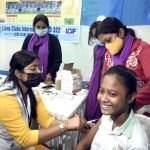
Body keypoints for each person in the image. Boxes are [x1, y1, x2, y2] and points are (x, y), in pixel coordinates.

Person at [0, 51, 89, 150]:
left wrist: (74, 124)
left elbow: (47, 120)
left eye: (39, 68)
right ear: (18, 73)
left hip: (20, 145)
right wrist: (66, 125)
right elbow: (25, 138)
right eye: (33, 69)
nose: (38, 72)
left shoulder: (32, 92)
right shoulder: (6, 98)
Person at [75, 65, 150, 150]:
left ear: (130, 97)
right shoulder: (107, 116)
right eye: (101, 91)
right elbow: (84, 144)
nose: (103, 99)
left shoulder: (136, 143)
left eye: (112, 94)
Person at [95, 17, 150, 117]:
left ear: (120, 32)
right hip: (116, 109)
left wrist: (132, 103)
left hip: (139, 109)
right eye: (104, 43)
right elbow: (104, 81)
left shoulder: (142, 49)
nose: (107, 46)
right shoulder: (108, 55)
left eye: (108, 40)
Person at [21, 14, 62, 84]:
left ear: (48, 27)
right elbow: (21, 57)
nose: (41, 29)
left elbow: (57, 60)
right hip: (29, 77)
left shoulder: (53, 40)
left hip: (48, 78)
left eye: (43, 27)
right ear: (34, 27)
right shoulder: (28, 39)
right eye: (38, 27)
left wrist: (49, 75)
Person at [85, 19, 106, 121]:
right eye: (94, 36)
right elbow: (95, 67)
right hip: (96, 81)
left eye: (98, 35)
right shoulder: (96, 48)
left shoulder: (112, 48)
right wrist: (92, 80)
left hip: (106, 82)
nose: (97, 38)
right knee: (92, 102)